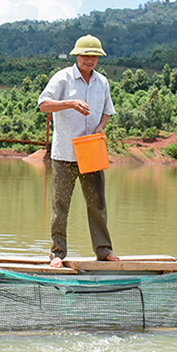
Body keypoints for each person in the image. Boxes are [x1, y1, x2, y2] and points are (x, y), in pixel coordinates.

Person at [38, 35, 120, 266]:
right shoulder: (62, 79)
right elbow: (43, 104)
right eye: (86, 55)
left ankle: (104, 251)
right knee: (60, 205)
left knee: (98, 204)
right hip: (65, 154)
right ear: (77, 56)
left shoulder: (102, 82)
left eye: (94, 56)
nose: (90, 60)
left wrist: (101, 127)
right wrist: (70, 103)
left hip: (91, 152)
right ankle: (57, 254)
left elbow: (107, 110)